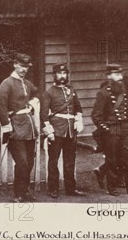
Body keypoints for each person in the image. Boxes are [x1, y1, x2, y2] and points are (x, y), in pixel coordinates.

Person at [91, 64, 128, 196]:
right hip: (112, 129)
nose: (119, 78)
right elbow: (96, 115)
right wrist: (106, 128)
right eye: (116, 75)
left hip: (125, 128)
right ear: (109, 76)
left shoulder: (124, 90)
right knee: (113, 160)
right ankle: (112, 187)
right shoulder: (103, 93)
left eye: (120, 74)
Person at [0, 53, 40, 202]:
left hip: (29, 127)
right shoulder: (6, 83)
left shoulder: (27, 83)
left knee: (30, 162)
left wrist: (34, 101)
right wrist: (6, 125)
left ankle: (25, 191)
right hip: (15, 127)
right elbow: (0, 106)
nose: (23, 69)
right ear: (15, 64)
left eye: (26, 67)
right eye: (21, 66)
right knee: (22, 162)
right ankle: (19, 193)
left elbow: (37, 92)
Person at [40, 63, 87, 198]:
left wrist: (78, 120)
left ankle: (70, 189)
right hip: (56, 130)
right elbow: (43, 114)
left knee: (70, 161)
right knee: (53, 161)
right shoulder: (49, 92)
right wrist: (48, 131)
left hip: (70, 130)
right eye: (59, 73)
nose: (62, 76)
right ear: (54, 75)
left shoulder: (71, 90)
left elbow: (78, 108)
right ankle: (53, 189)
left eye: (64, 73)